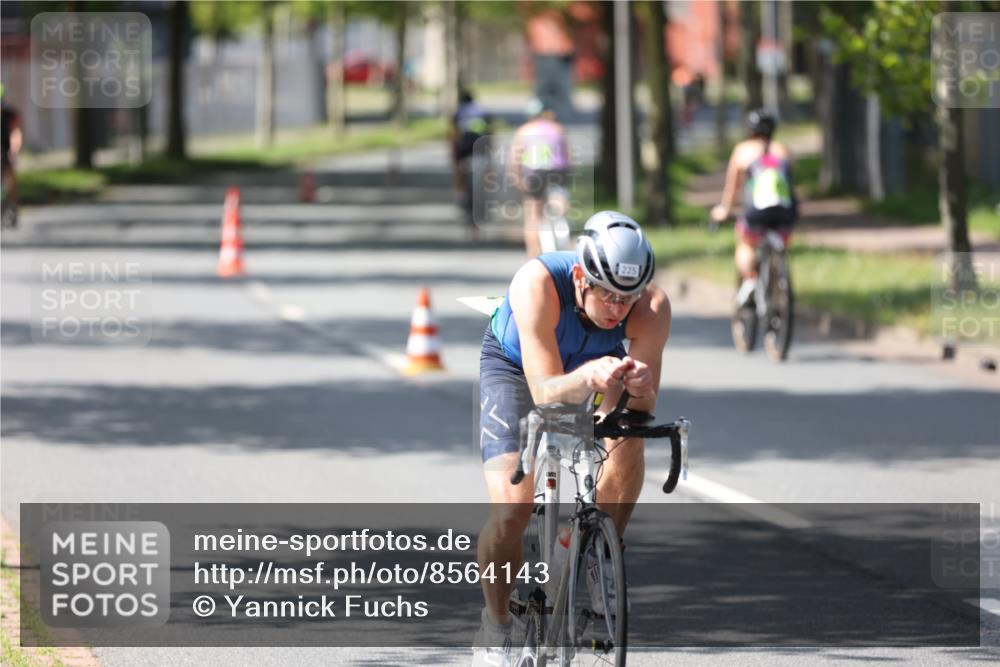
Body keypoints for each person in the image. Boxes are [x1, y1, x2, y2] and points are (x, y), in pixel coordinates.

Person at [472, 211, 671, 666]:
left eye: (628, 297)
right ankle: (496, 624)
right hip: (519, 369)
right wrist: (589, 377)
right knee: (512, 509)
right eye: (607, 294)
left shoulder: (652, 308)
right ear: (580, 276)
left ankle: (597, 549)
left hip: (595, 370)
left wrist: (638, 389)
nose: (618, 309)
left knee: (628, 438)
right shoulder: (536, 283)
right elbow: (545, 393)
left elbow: (640, 410)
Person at [710, 108, 798, 306]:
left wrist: (723, 211)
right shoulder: (784, 150)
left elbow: (732, 189)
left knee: (745, 242)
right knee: (780, 239)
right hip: (786, 212)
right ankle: (778, 277)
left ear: (749, 130)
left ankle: (750, 280)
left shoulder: (743, 150)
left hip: (756, 212)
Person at [507, 99, 569, 258]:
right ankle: (560, 219)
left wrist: (517, 179)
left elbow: (515, 159)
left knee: (533, 217)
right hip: (557, 171)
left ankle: (533, 255)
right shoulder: (557, 128)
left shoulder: (523, 130)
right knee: (559, 199)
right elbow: (567, 156)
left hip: (534, 173)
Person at [449, 89, 492, 235]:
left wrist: (454, 155)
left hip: (464, 151)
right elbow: (491, 134)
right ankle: (485, 200)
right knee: (485, 178)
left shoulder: (458, 112)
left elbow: (453, 135)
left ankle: (460, 197)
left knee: (460, 174)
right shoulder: (483, 112)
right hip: (481, 151)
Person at [1, 83, 22, 229]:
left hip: (6, 151)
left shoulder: (10, 114)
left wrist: (14, 150)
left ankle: (13, 205)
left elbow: (16, 134)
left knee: (10, 179)